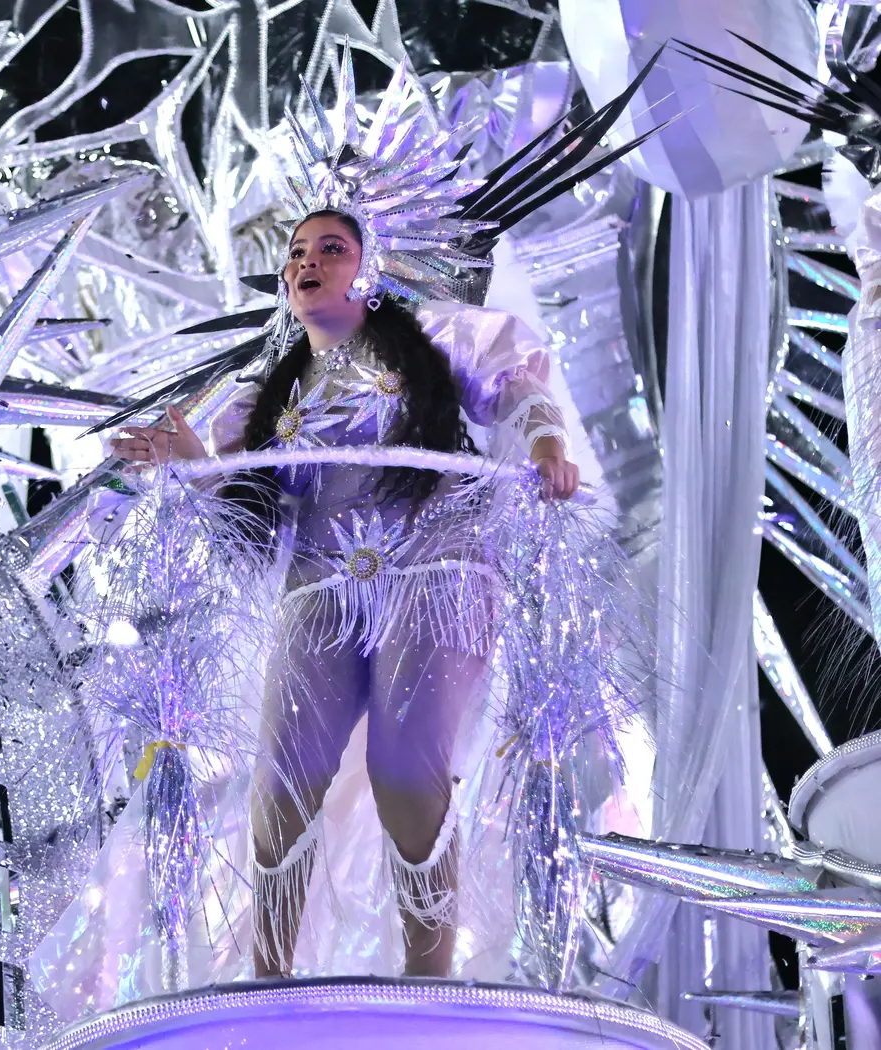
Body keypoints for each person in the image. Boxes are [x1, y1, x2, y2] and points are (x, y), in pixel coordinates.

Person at [107, 209, 580, 978]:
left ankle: (428, 979)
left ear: (368, 270)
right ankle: (269, 978)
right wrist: (191, 461)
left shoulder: (432, 339)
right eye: (297, 252)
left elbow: (518, 389)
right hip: (320, 584)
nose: (309, 262)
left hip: (434, 569)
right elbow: (245, 526)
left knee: (404, 771)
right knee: (280, 782)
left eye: (331, 248)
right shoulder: (267, 396)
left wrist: (547, 446)